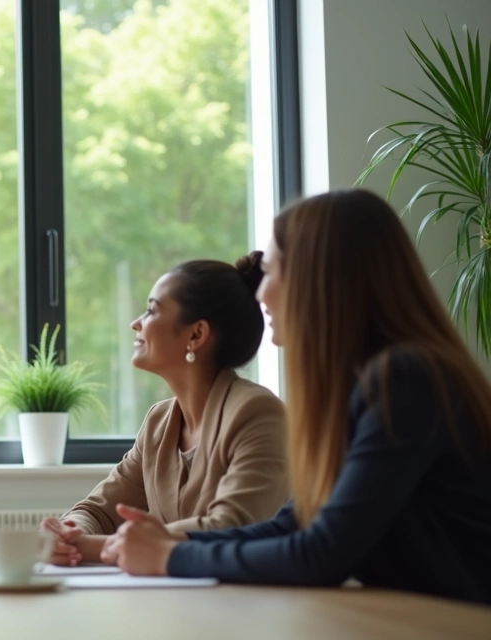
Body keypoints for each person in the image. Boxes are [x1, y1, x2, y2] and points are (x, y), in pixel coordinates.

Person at [101, 189, 491, 605]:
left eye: (271, 272)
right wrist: (174, 544)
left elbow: (322, 553)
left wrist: (170, 557)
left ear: (319, 278)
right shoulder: (361, 389)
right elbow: (292, 525)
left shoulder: (405, 381)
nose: (260, 294)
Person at [41, 254, 288, 565]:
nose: (136, 323)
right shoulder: (159, 421)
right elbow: (98, 510)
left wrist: (88, 547)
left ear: (196, 335)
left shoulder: (259, 414)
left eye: (151, 310)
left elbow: (229, 528)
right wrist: (69, 532)